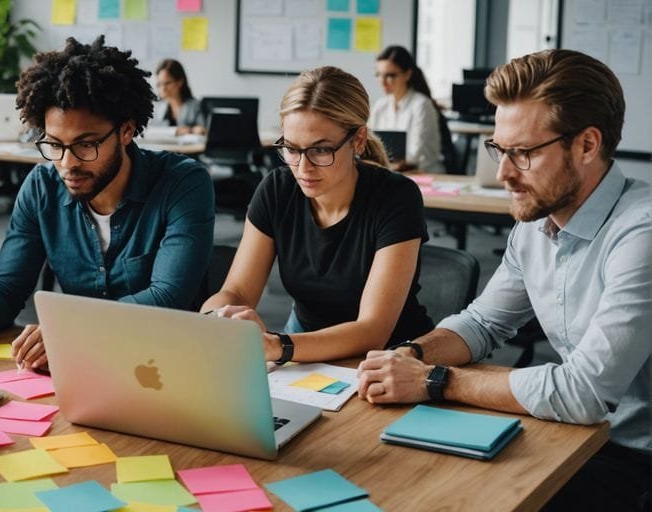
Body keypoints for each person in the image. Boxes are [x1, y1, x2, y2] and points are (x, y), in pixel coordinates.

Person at [357, 49, 650, 511]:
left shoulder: (642, 234)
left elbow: (584, 393)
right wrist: (408, 356)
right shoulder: (536, 223)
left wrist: (434, 380)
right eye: (500, 149)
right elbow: (483, 324)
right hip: (577, 432)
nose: (503, 173)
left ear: (588, 145)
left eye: (522, 153)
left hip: (635, 455)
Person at [0, 37, 215, 369]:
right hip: (82, 365)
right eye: (54, 145)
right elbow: (8, 286)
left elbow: (167, 298)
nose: (67, 164)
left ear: (126, 131)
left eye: (85, 145)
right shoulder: (42, 187)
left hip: (167, 363)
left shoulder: (183, 184)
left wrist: (69, 329)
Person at [201, 66, 433, 364]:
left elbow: (372, 330)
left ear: (358, 140)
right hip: (306, 352)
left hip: (391, 359)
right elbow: (237, 291)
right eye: (292, 149)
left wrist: (279, 347)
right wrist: (213, 319)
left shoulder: (396, 197)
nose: (303, 168)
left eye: (321, 150)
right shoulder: (277, 188)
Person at [369, 45, 446, 173]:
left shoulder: (422, 105)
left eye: (390, 76)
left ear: (407, 75)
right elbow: (370, 146)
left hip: (423, 174)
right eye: (379, 75)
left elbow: (413, 156)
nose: (382, 82)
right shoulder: (380, 106)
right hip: (391, 172)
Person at [151, 59, 205, 135]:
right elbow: (148, 131)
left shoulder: (196, 106)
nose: (163, 89)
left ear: (180, 82)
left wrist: (190, 130)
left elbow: (203, 130)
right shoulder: (156, 107)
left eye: (167, 83)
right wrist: (176, 131)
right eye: (159, 84)